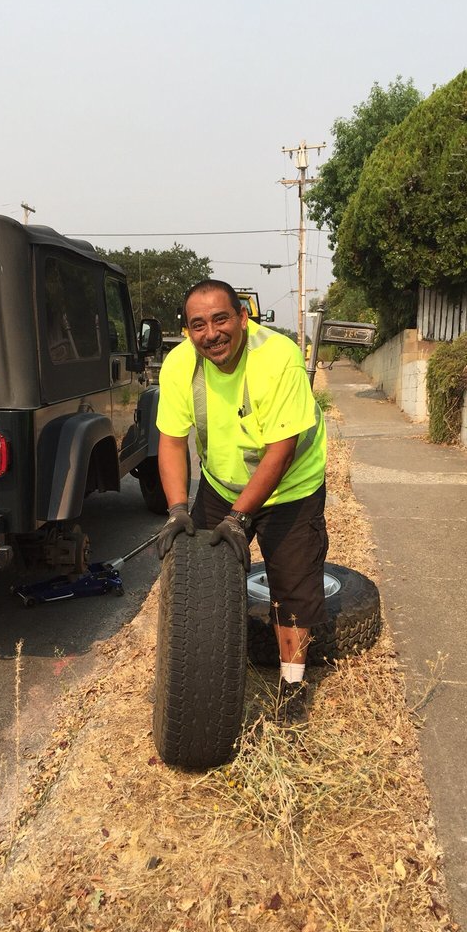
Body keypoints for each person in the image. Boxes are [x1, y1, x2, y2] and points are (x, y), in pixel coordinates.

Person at [155, 279, 328, 724]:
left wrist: (240, 518)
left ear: (242, 318)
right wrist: (177, 508)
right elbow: (173, 442)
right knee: (204, 572)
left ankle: (292, 685)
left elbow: (281, 450)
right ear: (188, 331)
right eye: (198, 325)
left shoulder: (278, 358)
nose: (210, 333)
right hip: (221, 483)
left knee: (291, 586)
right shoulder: (178, 366)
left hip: (291, 486)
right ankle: (205, 668)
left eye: (220, 319)